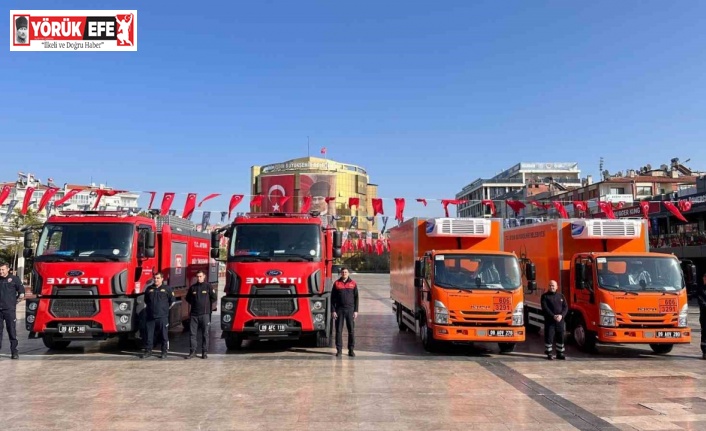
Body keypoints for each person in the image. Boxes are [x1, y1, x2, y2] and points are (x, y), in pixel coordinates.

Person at [140, 273, 174, 359]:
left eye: (158, 278)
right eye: (155, 278)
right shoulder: (149, 289)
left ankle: (164, 351)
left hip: (162, 317)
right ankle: (148, 351)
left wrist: (164, 309)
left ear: (162, 279)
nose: (156, 280)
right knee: (149, 335)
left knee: (164, 335)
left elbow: (172, 301)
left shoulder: (167, 289)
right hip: (151, 316)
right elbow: (146, 301)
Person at [185, 270, 217, 359]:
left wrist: (206, 305)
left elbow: (214, 298)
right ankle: (192, 352)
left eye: (200, 276)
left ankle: (204, 352)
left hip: (205, 315)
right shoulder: (193, 288)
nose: (199, 278)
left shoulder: (208, 287)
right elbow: (188, 298)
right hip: (194, 315)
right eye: (197, 276)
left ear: (204, 276)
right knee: (192, 334)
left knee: (205, 334)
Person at [332, 267, 359, 357]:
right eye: (343, 272)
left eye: (346, 272)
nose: (344, 273)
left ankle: (351, 350)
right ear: (340, 273)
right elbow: (332, 299)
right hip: (339, 310)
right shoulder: (336, 283)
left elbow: (356, 298)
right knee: (338, 330)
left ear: (348, 273)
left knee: (351, 330)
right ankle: (339, 350)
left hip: (350, 310)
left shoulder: (353, 283)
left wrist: (356, 311)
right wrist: (333, 311)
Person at [0, 262, 25, 359]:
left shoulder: (14, 279)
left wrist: (15, 302)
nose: (1, 271)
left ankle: (14, 352)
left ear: (7, 269)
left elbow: (21, 292)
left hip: (9, 310)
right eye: (0, 270)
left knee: (11, 331)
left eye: (3, 269)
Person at [541, 280, 568, 360]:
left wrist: (561, 316)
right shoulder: (545, 296)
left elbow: (565, 307)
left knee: (560, 337)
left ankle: (560, 353)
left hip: (560, 321)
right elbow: (545, 308)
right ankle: (549, 353)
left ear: (557, 287)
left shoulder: (561, 296)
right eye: (550, 285)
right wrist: (553, 316)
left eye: (553, 286)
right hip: (550, 321)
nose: (551, 287)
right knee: (549, 337)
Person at [697, 273, 706, 360]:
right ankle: (705, 352)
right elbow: (701, 301)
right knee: (705, 333)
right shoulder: (701, 289)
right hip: (704, 316)